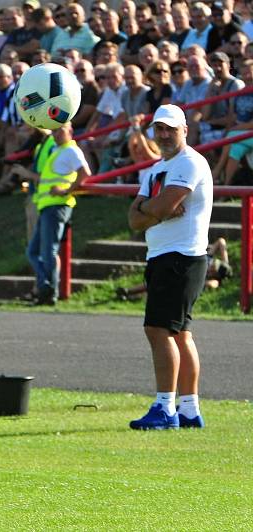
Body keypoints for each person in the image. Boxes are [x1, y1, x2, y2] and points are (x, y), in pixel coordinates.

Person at [127, 104, 213, 430]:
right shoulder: (155, 169)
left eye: (170, 129)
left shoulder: (190, 162)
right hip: (164, 255)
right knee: (179, 334)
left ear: (184, 130)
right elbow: (134, 219)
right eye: (159, 128)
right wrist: (155, 209)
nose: (164, 134)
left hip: (182, 256)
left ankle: (165, 407)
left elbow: (159, 206)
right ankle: (189, 409)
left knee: (158, 329)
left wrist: (152, 207)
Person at [26, 122, 91, 306]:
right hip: (47, 205)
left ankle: (49, 293)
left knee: (48, 252)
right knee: (33, 251)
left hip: (57, 206)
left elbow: (85, 172)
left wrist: (66, 190)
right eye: (53, 130)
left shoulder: (71, 150)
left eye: (60, 130)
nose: (55, 134)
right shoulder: (58, 149)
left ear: (70, 131)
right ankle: (46, 286)